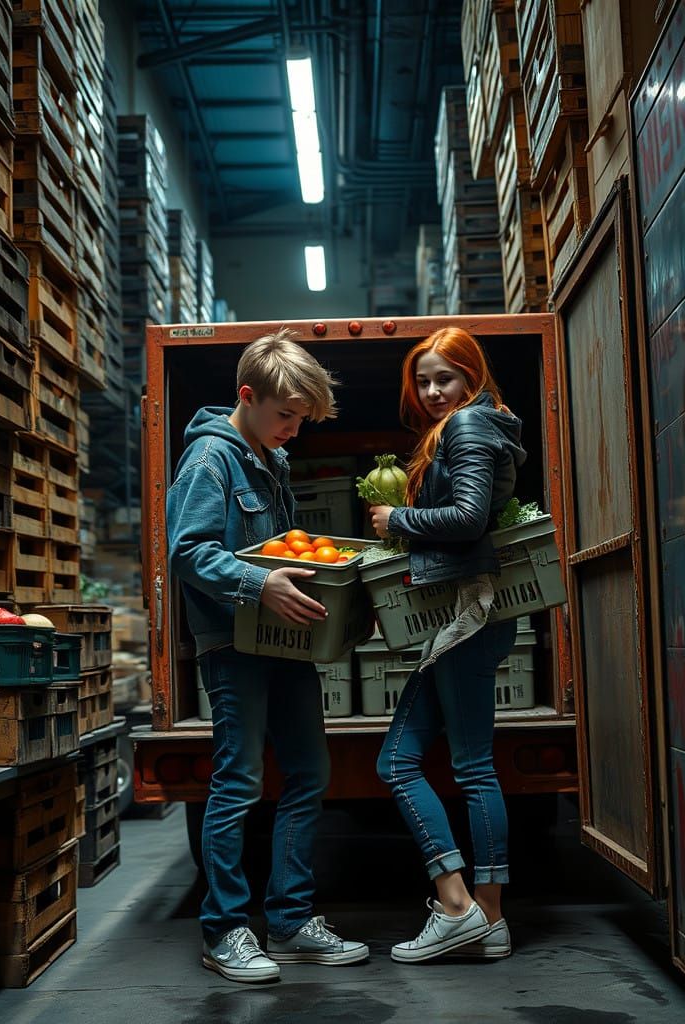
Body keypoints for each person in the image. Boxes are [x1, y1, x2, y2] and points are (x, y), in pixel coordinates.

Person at [168, 327, 369, 984]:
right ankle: (224, 929)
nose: (293, 430)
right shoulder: (209, 460)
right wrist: (260, 585)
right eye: (286, 414)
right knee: (239, 782)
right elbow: (188, 552)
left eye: (301, 419)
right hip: (234, 643)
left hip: (284, 640)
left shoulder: (271, 458)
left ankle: (288, 921)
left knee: (309, 772)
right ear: (247, 395)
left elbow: (282, 548)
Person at [369, 326, 527, 963]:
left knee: (461, 766)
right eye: (424, 380)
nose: (433, 390)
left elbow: (468, 518)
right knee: (412, 762)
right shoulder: (473, 425)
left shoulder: (467, 426)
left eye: (445, 378)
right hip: (463, 615)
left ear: (472, 377)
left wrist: (397, 520)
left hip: (467, 615)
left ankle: (468, 910)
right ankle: (483, 917)